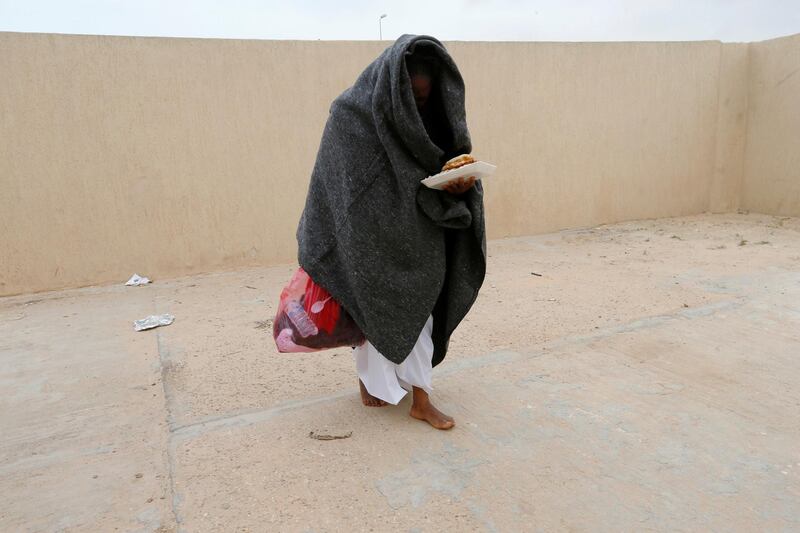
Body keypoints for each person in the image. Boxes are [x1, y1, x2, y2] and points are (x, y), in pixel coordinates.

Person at [296, 35, 486, 430]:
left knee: (423, 305)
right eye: (413, 96)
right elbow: (341, 185)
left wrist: (458, 187)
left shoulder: (430, 114)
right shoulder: (350, 114)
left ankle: (420, 397)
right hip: (367, 235)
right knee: (367, 306)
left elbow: (438, 161)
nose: (420, 104)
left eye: (426, 96)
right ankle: (370, 380)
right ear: (394, 87)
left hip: (420, 232)